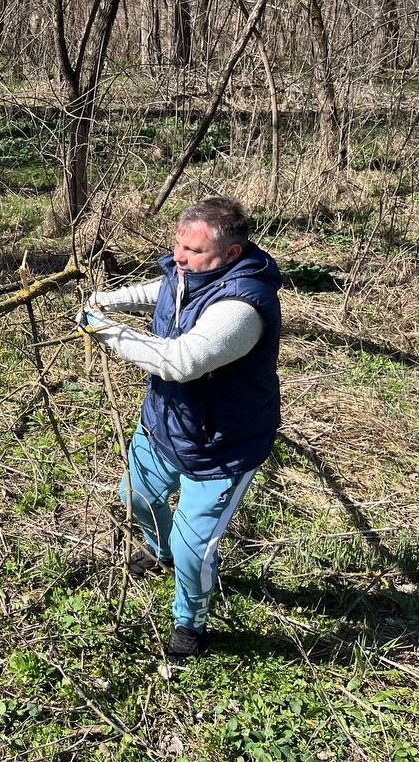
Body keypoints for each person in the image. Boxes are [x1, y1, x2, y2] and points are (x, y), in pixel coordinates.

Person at [77, 196, 282, 662]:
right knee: (137, 497)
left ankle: (189, 622)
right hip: (163, 423)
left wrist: (103, 329)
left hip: (221, 447)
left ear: (230, 254)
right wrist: (108, 300)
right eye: (177, 245)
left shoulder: (241, 307)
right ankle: (158, 550)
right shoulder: (187, 271)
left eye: (192, 251)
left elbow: (182, 362)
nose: (179, 259)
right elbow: (165, 288)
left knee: (195, 552)